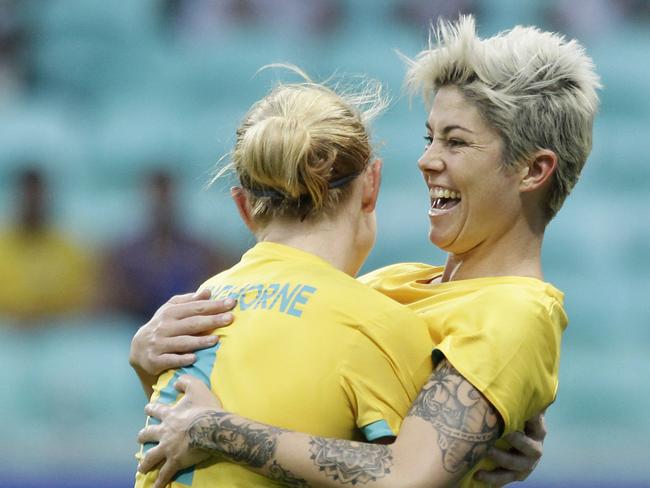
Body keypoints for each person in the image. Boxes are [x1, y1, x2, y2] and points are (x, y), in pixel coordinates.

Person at [134, 15, 601, 488]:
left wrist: (218, 429)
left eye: (455, 141)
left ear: (533, 170)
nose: (426, 160)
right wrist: (151, 361)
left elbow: (404, 479)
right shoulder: (388, 283)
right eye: (430, 136)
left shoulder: (515, 316)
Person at [133, 68, 437, 487]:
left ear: (242, 207)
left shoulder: (187, 318)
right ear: (370, 187)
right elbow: (418, 475)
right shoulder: (379, 327)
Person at [104, 169, 234, 323]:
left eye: (165, 198)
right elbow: (113, 300)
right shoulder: (124, 255)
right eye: (156, 198)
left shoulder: (202, 252)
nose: (161, 205)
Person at [0, 167, 96, 320]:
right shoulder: (3, 247)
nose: (32, 203)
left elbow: (86, 297)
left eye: (37, 197)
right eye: (27, 197)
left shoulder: (70, 248)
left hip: (60, 329)